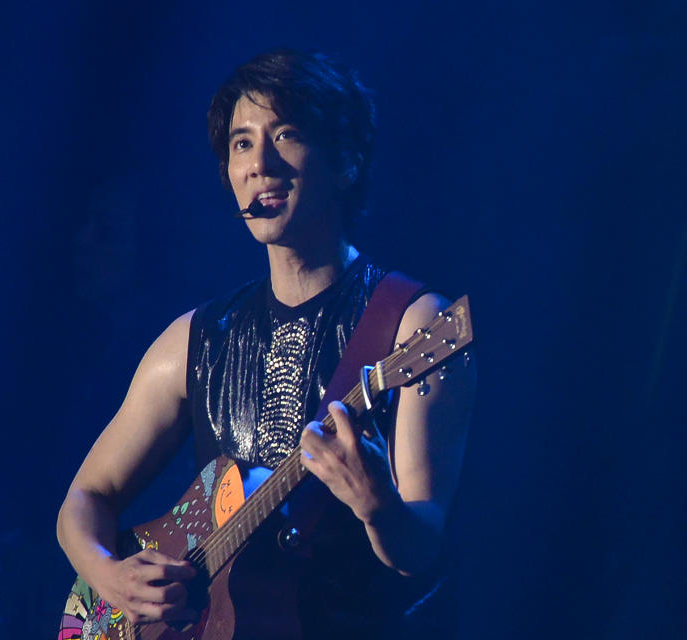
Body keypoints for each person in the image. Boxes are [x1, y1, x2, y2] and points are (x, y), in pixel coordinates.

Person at [57, 50, 476, 637]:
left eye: (287, 134)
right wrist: (111, 578)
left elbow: (422, 548)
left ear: (347, 161)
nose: (260, 163)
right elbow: (86, 496)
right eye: (241, 143)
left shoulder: (410, 326)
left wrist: (376, 504)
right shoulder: (193, 342)